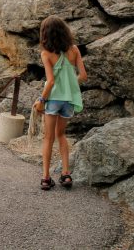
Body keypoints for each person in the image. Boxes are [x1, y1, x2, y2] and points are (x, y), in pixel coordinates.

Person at [32, 15, 87, 190]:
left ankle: (46, 178)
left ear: (45, 34)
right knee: (61, 135)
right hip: (69, 100)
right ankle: (66, 174)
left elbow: (50, 82)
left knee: (48, 138)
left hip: (53, 99)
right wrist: (70, 86)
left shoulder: (46, 54)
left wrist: (41, 100)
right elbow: (83, 76)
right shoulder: (74, 50)